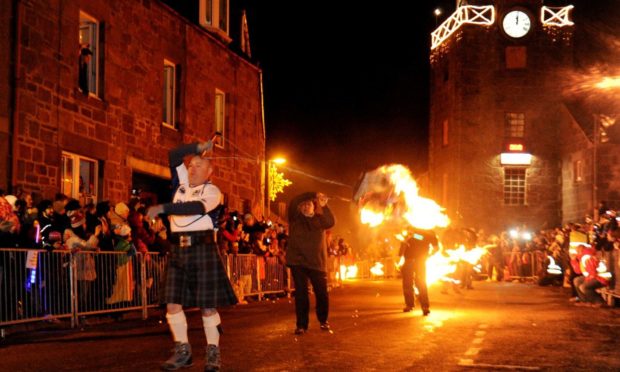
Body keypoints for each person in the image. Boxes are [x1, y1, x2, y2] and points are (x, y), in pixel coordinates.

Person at [147, 139, 237, 372]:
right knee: (173, 304)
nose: (192, 168)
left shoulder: (213, 192)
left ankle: (213, 353)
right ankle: (183, 351)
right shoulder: (181, 185)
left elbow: (195, 208)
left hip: (202, 248)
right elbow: (174, 153)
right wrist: (197, 147)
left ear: (209, 171)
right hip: (178, 250)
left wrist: (164, 208)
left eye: (198, 164)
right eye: (191, 165)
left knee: (207, 306)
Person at [286, 192, 335, 335]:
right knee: (301, 294)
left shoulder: (320, 219)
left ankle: (323, 320)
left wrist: (325, 206)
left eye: (309, 204)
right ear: (300, 208)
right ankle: (301, 325)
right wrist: (313, 193)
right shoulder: (295, 219)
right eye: (304, 205)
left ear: (314, 206)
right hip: (298, 261)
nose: (306, 207)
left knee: (322, 293)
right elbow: (295, 200)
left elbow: (331, 222)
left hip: (317, 261)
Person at [399, 227, 437, 316]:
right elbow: (403, 244)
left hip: (420, 260)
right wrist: (400, 256)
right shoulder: (409, 229)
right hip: (408, 259)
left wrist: (429, 255)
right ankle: (409, 304)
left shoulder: (429, 232)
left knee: (421, 283)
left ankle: (425, 306)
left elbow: (433, 245)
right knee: (407, 283)